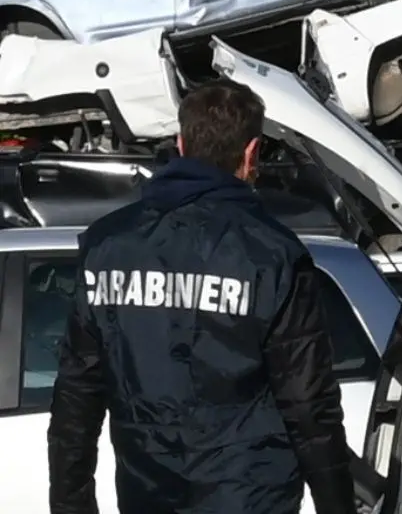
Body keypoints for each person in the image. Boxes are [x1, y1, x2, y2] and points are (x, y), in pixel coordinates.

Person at [48, 80, 357, 514]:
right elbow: (310, 407)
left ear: (180, 142)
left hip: (147, 492)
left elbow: (75, 402)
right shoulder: (274, 255)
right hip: (250, 496)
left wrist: (70, 506)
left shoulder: (107, 246)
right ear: (251, 154)